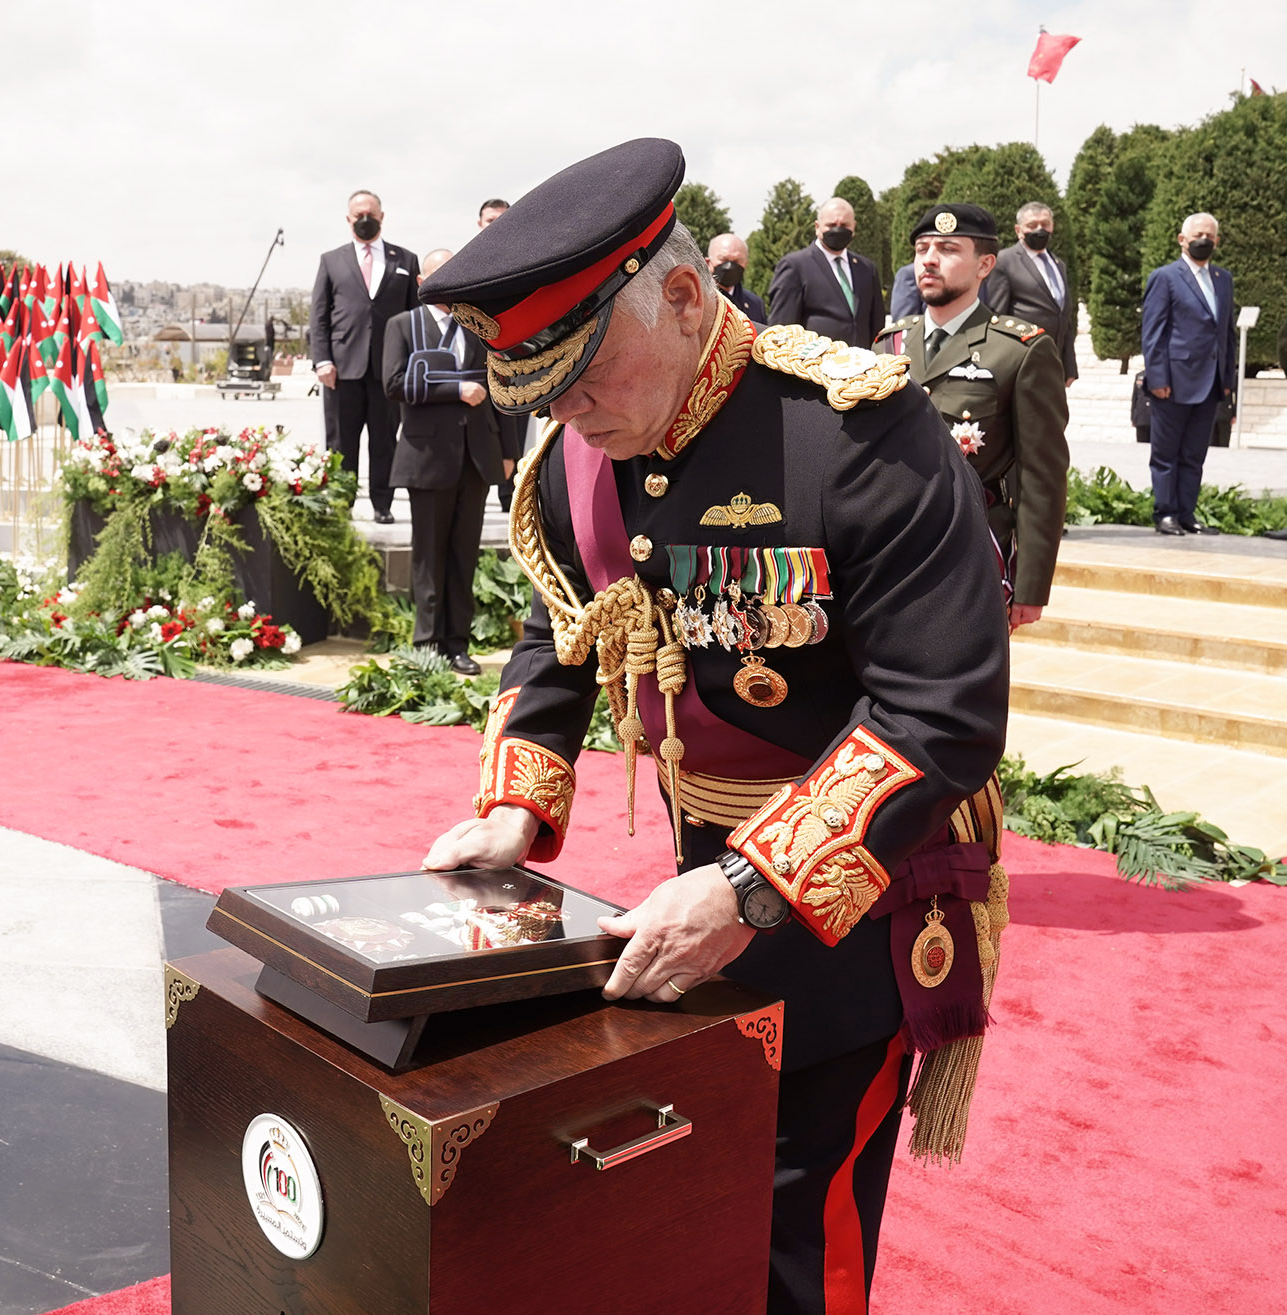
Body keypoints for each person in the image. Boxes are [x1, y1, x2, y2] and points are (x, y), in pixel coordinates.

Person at [420, 137, 1008, 1315]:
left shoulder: (853, 431)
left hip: (863, 886)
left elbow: (940, 713)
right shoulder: (576, 449)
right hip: (701, 869)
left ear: (684, 297)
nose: (571, 417)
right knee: (688, 1197)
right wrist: (511, 805)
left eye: (585, 379)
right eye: (546, 392)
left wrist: (748, 890)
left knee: (795, 1218)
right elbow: (562, 623)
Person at [875, 204, 1069, 631]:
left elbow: (1043, 476)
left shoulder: (1020, 350)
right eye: (922, 248)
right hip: (889, 555)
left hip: (974, 554)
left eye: (947, 249)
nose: (928, 259)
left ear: (985, 265)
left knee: (966, 693)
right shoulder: (889, 346)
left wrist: (1031, 585)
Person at [384, 247, 508, 676]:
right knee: (427, 556)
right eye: (438, 275)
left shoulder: (479, 328)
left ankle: (457, 642)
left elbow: (503, 389)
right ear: (421, 282)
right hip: (426, 457)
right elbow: (394, 383)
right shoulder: (402, 325)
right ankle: (427, 642)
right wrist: (454, 390)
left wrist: (507, 452)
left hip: (475, 456)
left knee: (463, 555)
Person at [310, 189, 421, 523]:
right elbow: (319, 317)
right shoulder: (331, 260)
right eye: (358, 215)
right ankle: (342, 504)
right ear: (348, 219)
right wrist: (322, 360)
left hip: (389, 371)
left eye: (370, 213)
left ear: (382, 216)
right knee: (342, 443)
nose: (364, 219)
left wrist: (411, 363)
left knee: (384, 440)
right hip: (341, 371)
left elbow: (414, 316)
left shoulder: (405, 260)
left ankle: (382, 504)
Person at [1141, 213, 1236, 535]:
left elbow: (1227, 334)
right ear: (1182, 239)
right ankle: (1165, 513)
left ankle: (1186, 513)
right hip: (1173, 381)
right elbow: (1153, 332)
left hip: (1210, 383)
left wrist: (1228, 382)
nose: (1204, 239)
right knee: (1166, 454)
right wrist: (1158, 379)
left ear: (1217, 241)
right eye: (1198, 234)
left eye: (1210, 235)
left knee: (1195, 455)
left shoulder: (1223, 279)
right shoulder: (1165, 277)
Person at [765, 197, 885, 348]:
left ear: (853, 227)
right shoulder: (795, 266)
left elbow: (876, 324)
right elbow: (781, 329)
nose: (838, 229)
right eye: (831, 225)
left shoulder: (867, 269)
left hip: (861, 366)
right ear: (817, 227)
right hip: (814, 367)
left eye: (844, 225)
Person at [983, 203, 1079, 386]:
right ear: (1019, 230)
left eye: (1045, 224)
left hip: (1054, 364)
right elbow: (996, 317)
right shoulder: (1005, 261)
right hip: (1021, 364)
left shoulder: (1058, 264)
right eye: (1032, 225)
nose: (1039, 230)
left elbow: (1064, 316)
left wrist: (1070, 365)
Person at [481, 196, 525, 510]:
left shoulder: (528, 262)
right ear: (479, 224)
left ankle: (511, 497)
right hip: (479, 365)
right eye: (490, 221)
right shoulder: (467, 262)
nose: (496, 227)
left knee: (516, 430)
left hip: (521, 362)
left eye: (503, 220)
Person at [707, 233, 767, 324]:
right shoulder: (698, 300)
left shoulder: (755, 304)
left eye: (737, 261)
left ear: (746, 264)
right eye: (724, 260)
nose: (729, 266)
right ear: (708, 263)